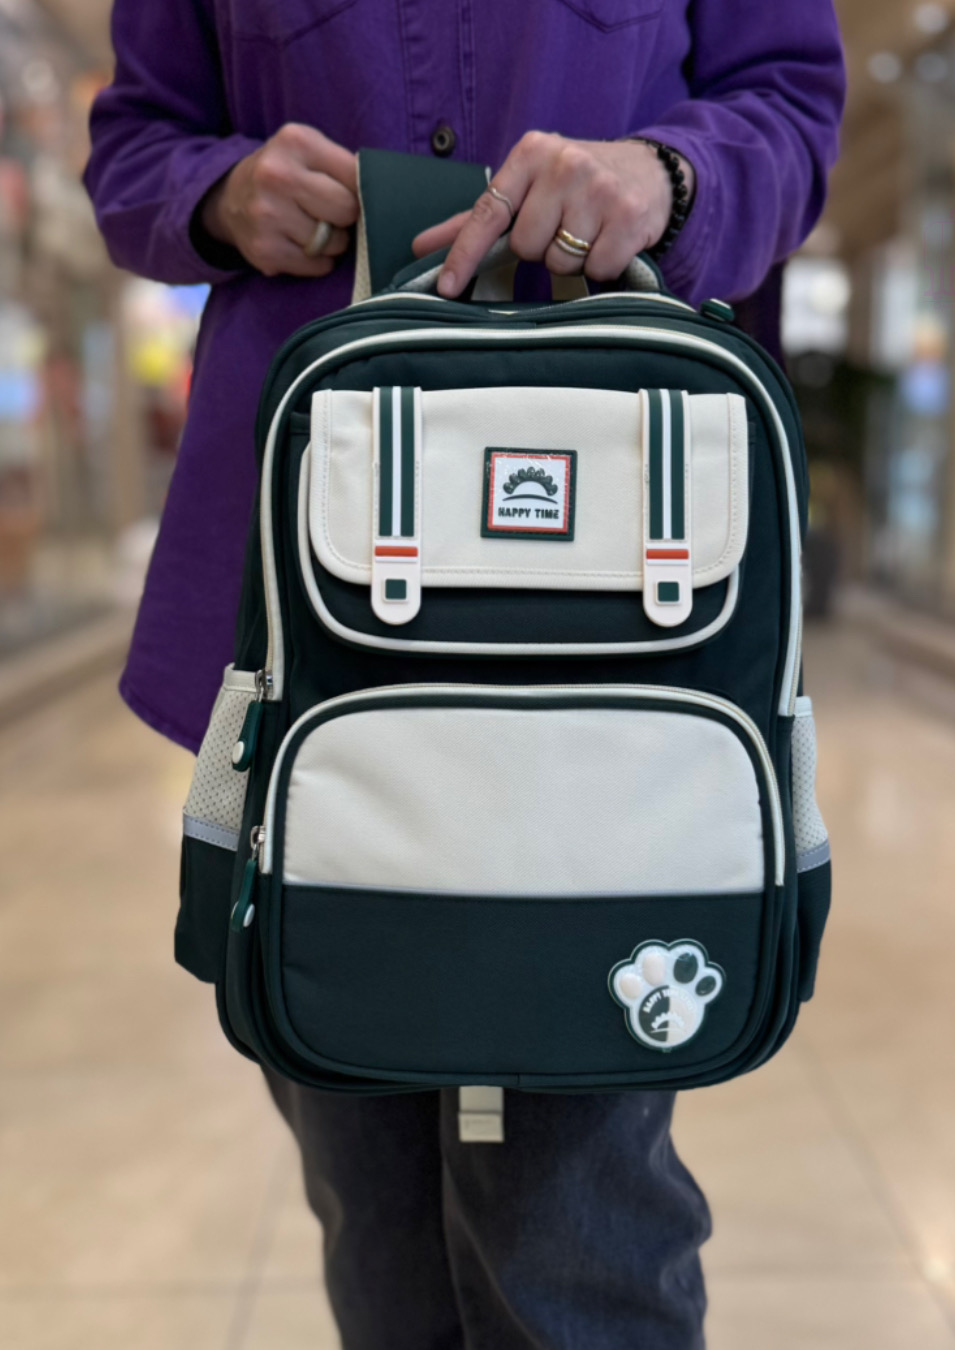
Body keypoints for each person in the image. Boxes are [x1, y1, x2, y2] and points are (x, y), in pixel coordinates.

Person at [85, 4, 845, 1346]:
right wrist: (217, 192)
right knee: (368, 1197)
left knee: (576, 1230)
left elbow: (791, 102)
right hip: (308, 589)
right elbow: (135, 141)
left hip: (613, 593)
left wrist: (666, 178)